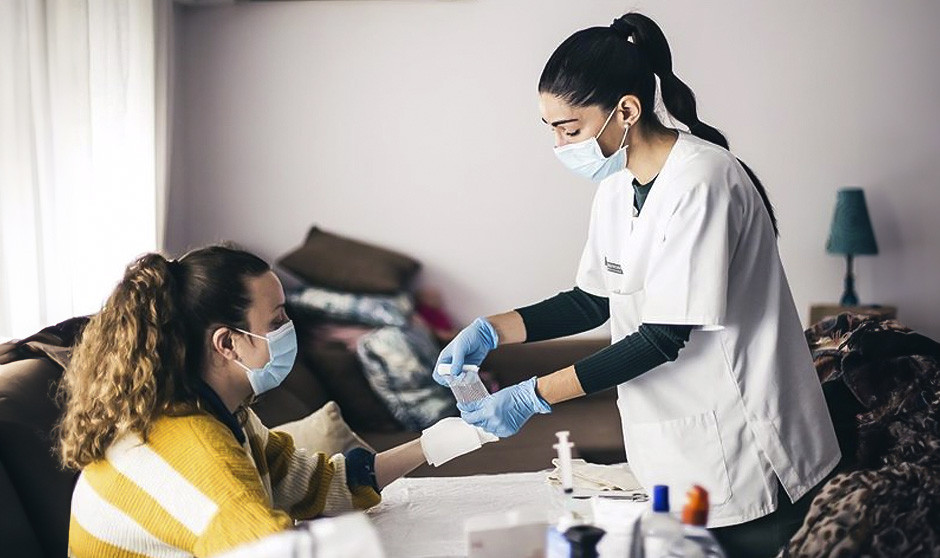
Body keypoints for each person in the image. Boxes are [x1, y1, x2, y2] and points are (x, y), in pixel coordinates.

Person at [434, 12, 840, 556]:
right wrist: (490, 330)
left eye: (569, 128)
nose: (558, 145)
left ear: (626, 109)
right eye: (550, 128)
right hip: (675, 444)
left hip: (746, 444)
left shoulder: (704, 179)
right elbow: (591, 299)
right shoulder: (618, 185)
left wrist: (533, 395)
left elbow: (662, 337)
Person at [58, 246, 428, 557]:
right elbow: (274, 550)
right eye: (277, 320)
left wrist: (432, 444)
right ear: (227, 343)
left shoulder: (225, 415)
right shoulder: (193, 448)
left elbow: (316, 484)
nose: (288, 330)